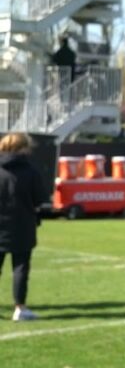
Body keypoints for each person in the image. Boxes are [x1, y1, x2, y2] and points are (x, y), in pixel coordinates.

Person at [0, 133, 47, 322]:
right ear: (23, 148)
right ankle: (20, 307)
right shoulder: (30, 171)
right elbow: (40, 200)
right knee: (20, 268)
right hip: (23, 225)